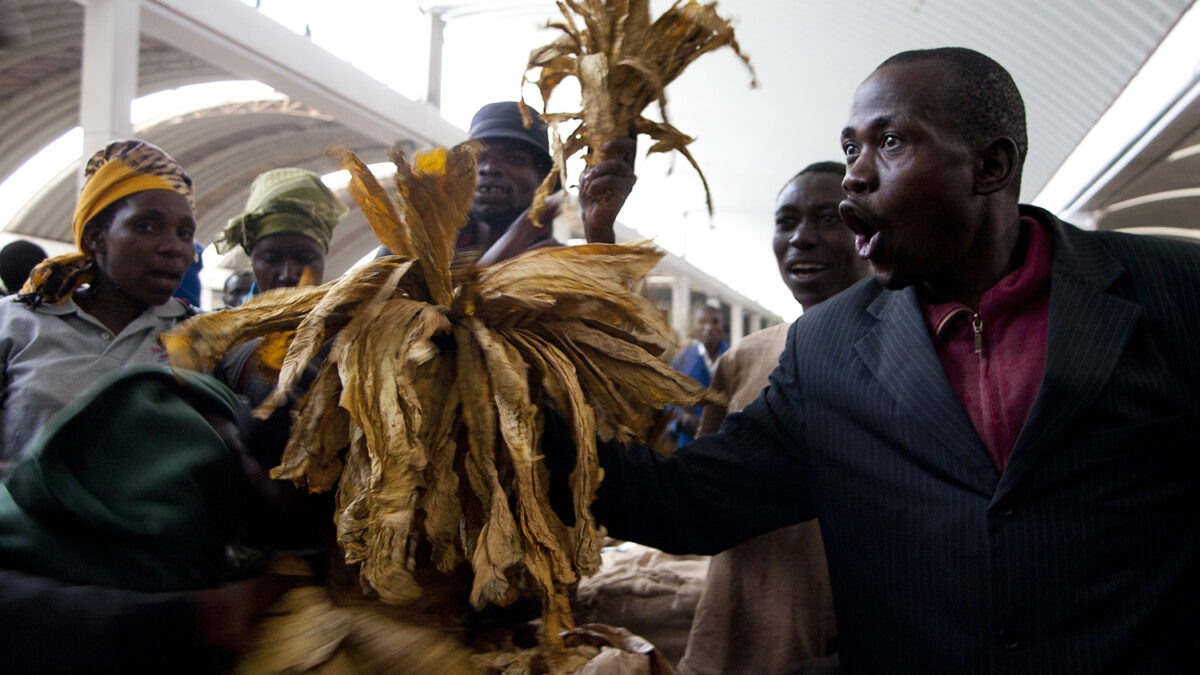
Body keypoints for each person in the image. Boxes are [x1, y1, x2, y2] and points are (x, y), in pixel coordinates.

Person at [569, 47, 1200, 673]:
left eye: (890, 142)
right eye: (850, 149)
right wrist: (516, 401)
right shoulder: (827, 349)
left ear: (991, 166)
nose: (855, 176)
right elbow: (688, 504)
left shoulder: (1171, 292)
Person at [678, 162, 870, 675]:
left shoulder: (918, 351)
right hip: (749, 626)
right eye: (786, 222)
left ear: (866, 232)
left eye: (829, 219)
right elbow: (701, 497)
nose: (801, 239)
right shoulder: (742, 360)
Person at [0, 140, 197, 466]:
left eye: (185, 233)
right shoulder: (16, 323)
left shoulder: (203, 333)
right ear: (95, 237)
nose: (173, 247)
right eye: (146, 226)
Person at [378, 101, 637, 265]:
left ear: (542, 183)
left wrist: (599, 229)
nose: (490, 168)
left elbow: (602, 331)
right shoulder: (415, 246)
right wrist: (512, 241)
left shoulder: (555, 264)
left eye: (514, 159)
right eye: (479, 158)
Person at [666, 304, 728, 448]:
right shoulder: (681, 359)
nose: (708, 327)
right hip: (689, 443)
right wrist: (681, 418)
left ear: (722, 326)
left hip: (725, 443)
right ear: (695, 327)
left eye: (714, 321)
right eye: (702, 322)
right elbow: (668, 396)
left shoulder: (734, 356)